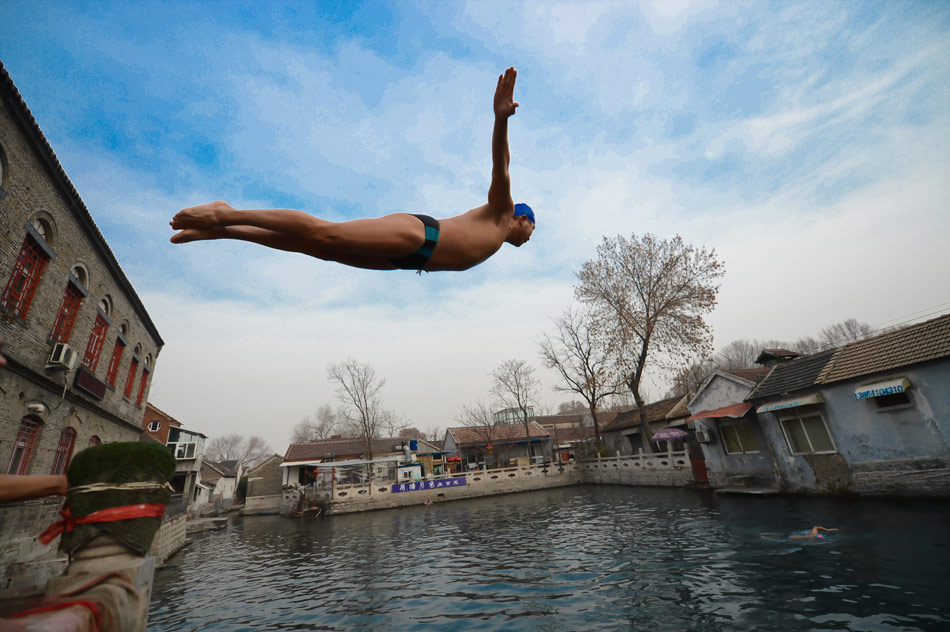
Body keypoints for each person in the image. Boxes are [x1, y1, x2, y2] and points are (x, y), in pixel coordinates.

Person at [170, 66, 535, 273]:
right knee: (325, 234)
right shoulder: (502, 213)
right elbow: (500, 169)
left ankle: (227, 230)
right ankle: (227, 212)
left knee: (317, 249)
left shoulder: (499, 241)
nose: (531, 236)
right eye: (533, 228)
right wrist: (500, 119)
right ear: (522, 219)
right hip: (420, 236)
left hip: (405, 261)